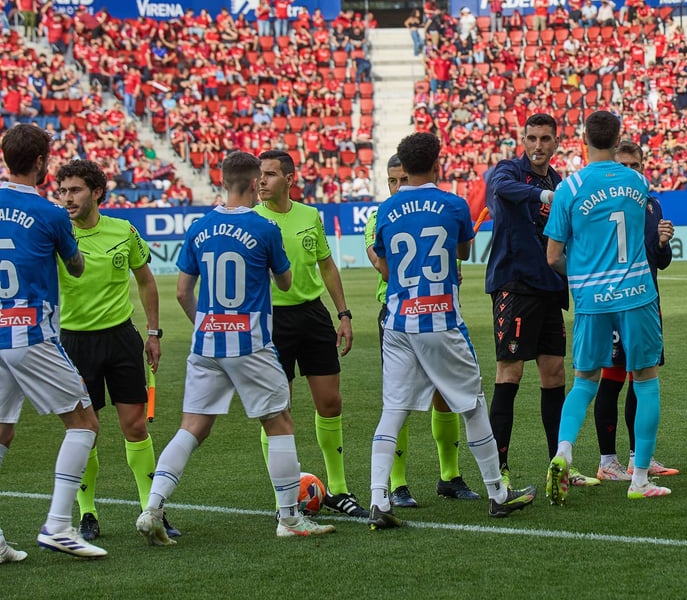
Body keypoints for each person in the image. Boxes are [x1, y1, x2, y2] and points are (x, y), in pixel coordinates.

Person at [136, 151, 335, 543]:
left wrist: (210, 323)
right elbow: (284, 283)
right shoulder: (264, 229)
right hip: (251, 343)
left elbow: (181, 292)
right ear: (251, 181)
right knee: (279, 423)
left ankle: (152, 507)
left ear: (224, 180)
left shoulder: (199, 227)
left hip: (207, 342)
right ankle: (290, 518)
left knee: (191, 428)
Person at [367, 133, 536, 529]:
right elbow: (462, 251)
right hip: (440, 318)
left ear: (403, 169)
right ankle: (497, 493)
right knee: (472, 404)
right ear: (438, 163)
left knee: (393, 410)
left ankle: (379, 500)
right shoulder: (454, 204)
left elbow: (386, 261)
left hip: (398, 320)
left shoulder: (388, 210)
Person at [544, 111, 669, 502]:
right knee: (645, 380)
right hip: (636, 294)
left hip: (591, 299)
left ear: (584, 138)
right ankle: (640, 479)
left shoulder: (569, 187)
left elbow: (552, 257)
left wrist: (581, 273)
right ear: (618, 140)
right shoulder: (638, 181)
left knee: (584, 382)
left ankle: (563, 453)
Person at [54, 160, 178, 542]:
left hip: (121, 338)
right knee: (83, 432)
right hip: (75, 342)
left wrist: (153, 332)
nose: (67, 198)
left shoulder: (123, 231)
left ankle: (151, 509)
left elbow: (146, 280)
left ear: (97, 193)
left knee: (135, 425)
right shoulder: (57, 232)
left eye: (75, 190)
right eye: (63, 191)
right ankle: (87, 514)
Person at [0, 124, 104, 561]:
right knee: (84, 424)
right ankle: (59, 526)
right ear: (42, 162)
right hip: (29, 330)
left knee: (2, 432)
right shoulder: (50, 213)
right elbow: (77, 267)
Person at [254, 150, 367, 518]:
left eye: (270, 174)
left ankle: (338, 489)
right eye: (260, 174)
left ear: (289, 179)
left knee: (330, 402)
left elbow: (327, 265)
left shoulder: (309, 216)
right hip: (271, 321)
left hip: (313, 315)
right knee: (277, 409)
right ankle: (282, 499)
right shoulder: (253, 220)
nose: (262, 180)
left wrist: (344, 313)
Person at [485, 114, 596, 487]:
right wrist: (545, 196)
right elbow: (502, 190)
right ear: (523, 139)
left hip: (549, 288)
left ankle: (559, 463)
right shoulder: (507, 171)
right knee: (509, 372)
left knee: (554, 374)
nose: (537, 146)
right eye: (531, 138)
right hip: (514, 286)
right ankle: (497, 469)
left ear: (555, 142)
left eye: (545, 139)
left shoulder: (559, 180)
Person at [364, 154, 478, 505]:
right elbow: (384, 268)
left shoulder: (429, 211)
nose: (399, 187)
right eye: (392, 181)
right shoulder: (378, 216)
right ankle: (397, 484)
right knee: (400, 402)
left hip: (439, 313)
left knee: (445, 397)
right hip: (398, 315)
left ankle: (450, 476)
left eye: (403, 179)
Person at [593, 141, 679, 481]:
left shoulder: (652, 204)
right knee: (611, 380)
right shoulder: (603, 206)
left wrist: (662, 243)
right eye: (623, 165)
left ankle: (637, 457)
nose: (630, 171)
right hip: (615, 304)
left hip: (647, 303)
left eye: (635, 165)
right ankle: (606, 461)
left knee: (640, 380)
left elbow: (661, 262)